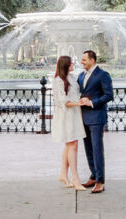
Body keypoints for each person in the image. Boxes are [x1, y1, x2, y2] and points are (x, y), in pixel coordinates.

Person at [77, 50, 113, 194]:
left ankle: (100, 181)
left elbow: (109, 95)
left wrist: (92, 102)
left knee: (97, 149)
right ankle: (93, 175)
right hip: (83, 117)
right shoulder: (81, 75)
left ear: (92, 60)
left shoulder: (103, 75)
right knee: (88, 149)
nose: (82, 62)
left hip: (97, 117)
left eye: (84, 59)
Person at [50, 55, 86, 191]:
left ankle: (63, 174)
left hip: (74, 114)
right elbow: (62, 101)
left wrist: (81, 100)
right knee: (73, 145)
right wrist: (79, 103)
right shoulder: (58, 80)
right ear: (65, 65)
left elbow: (76, 93)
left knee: (70, 144)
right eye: (70, 64)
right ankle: (75, 178)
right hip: (66, 115)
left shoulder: (71, 78)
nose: (73, 65)